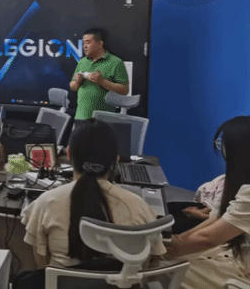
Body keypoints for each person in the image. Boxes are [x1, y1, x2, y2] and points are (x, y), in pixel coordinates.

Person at [22, 119, 165, 269]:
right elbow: (152, 260)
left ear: (69, 154)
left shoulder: (45, 203)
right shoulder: (140, 207)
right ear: (115, 160)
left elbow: (42, 264)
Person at [164, 116, 250, 288]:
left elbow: (209, 238)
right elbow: (215, 220)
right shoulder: (239, 185)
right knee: (175, 260)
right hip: (242, 258)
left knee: (168, 270)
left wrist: (160, 252)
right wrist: (175, 242)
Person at [69, 28, 129, 121]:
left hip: (104, 121)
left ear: (100, 44)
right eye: (83, 43)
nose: (84, 46)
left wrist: (102, 81)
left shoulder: (116, 62)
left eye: (88, 42)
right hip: (81, 118)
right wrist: (76, 82)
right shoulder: (82, 62)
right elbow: (73, 86)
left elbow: (124, 90)